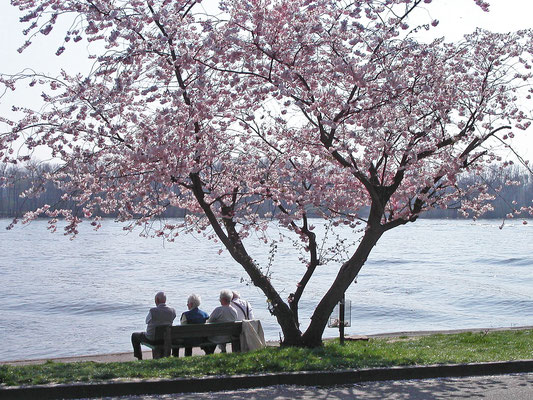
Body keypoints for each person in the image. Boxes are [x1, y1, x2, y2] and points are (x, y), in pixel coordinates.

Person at [131, 291, 176, 360]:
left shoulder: (153, 311)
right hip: (166, 338)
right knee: (159, 334)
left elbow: (147, 321)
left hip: (152, 338)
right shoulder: (172, 311)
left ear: (157, 300)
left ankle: (139, 358)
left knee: (134, 336)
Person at [203, 289, 238, 354]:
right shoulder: (234, 311)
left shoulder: (218, 310)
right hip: (229, 336)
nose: (219, 300)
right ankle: (223, 350)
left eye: (220, 298)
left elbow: (209, 322)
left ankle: (211, 352)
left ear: (223, 299)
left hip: (217, 337)